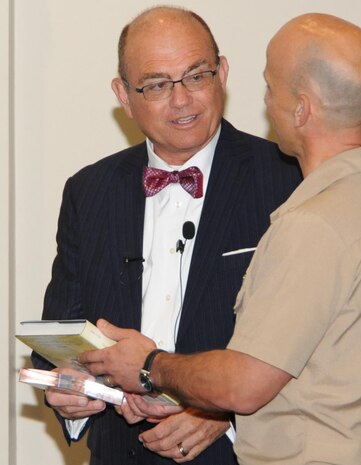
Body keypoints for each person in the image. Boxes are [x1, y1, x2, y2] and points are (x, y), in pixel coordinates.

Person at [80, 12, 361, 465]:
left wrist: (149, 366)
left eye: (270, 87)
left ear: (301, 108)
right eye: (158, 84)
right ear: (125, 94)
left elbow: (244, 383)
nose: (264, 102)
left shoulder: (312, 220)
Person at [31, 5, 302, 465]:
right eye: (157, 85)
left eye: (196, 76)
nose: (182, 101)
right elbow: (62, 337)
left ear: (223, 73)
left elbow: (315, 345)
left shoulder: (287, 180)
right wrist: (70, 394)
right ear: (124, 94)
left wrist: (226, 413)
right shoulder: (89, 191)